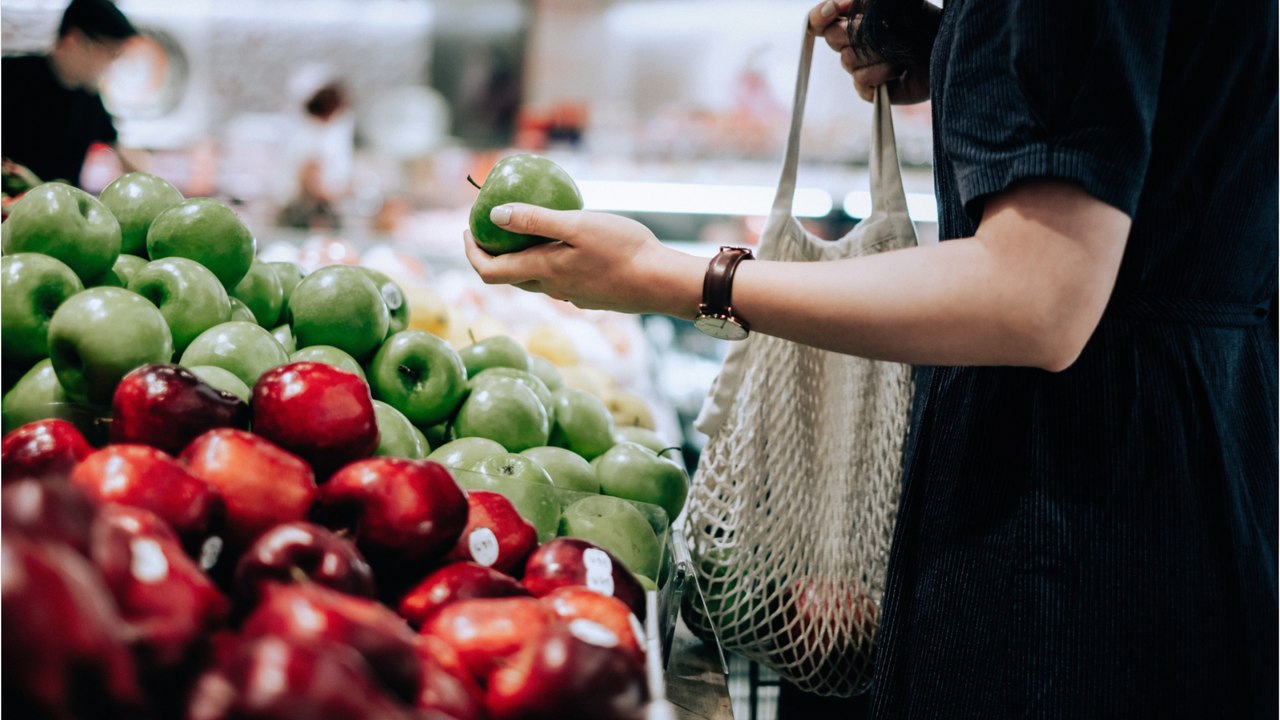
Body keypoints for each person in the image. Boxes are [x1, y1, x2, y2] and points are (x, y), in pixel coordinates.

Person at [464, 0, 1277, 716]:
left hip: (1079, 504)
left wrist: (673, 278)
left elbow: (1036, 296)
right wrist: (962, 45)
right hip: (1195, 453)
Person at [2, 0, 144, 187]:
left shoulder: (89, 97)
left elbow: (118, 147)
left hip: (64, 210)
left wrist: (158, 186)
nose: (110, 64)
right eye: (109, 52)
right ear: (74, 40)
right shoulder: (11, 77)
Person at [275, 68, 355, 231]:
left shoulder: (305, 132)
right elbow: (311, 180)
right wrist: (339, 193)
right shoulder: (315, 137)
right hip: (310, 213)